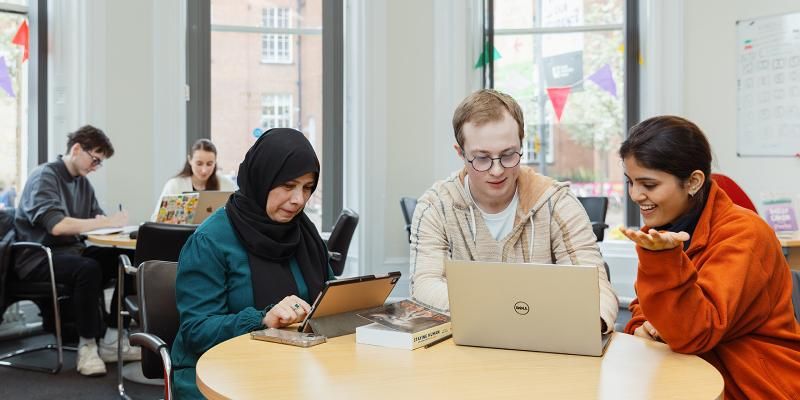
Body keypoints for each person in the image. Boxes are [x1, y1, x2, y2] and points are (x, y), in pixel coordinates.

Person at [619, 115, 800, 399]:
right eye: (630, 182)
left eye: (649, 185)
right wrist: (642, 327)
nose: (635, 194)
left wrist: (662, 260)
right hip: (689, 372)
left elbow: (697, 333)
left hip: (754, 384)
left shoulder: (745, 234)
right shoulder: (661, 230)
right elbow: (643, 305)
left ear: (693, 182)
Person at [409, 89, 618, 332]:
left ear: (521, 143)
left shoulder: (557, 202)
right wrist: (510, 307)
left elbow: (595, 286)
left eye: (508, 155)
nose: (497, 170)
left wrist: (594, 318)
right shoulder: (436, 207)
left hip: (544, 348)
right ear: (461, 153)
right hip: (464, 350)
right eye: (482, 158)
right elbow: (423, 286)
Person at [172, 128, 333, 398]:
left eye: (307, 188)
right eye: (288, 186)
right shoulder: (211, 240)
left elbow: (326, 298)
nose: (298, 200)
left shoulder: (303, 232)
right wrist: (262, 319)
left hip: (291, 366)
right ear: (261, 178)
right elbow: (196, 330)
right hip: (214, 374)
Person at [14, 125, 141, 376]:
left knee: (129, 259)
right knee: (89, 268)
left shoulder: (82, 184)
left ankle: (113, 338)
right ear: (76, 149)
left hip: (72, 252)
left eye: (99, 163)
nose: (95, 167)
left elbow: (96, 221)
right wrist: (105, 222)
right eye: (95, 159)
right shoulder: (45, 176)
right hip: (39, 257)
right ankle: (87, 346)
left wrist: (112, 225)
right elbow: (58, 226)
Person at [151, 138, 237, 221]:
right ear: (190, 160)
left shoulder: (227, 185)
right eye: (199, 163)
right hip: (181, 234)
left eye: (209, 164)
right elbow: (156, 219)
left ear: (215, 162)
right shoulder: (174, 185)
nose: (204, 170)